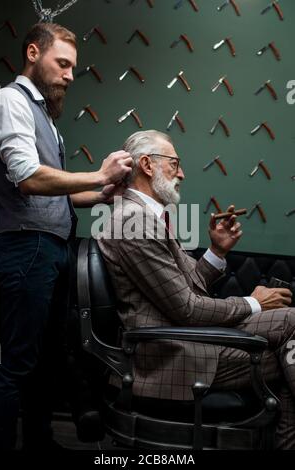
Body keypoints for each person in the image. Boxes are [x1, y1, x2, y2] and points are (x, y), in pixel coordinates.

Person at [97, 129, 295, 450]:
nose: (182, 173)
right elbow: (187, 308)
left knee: (291, 334)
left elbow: (185, 287)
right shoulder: (134, 222)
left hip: (183, 334)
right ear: (147, 165)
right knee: (290, 336)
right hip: (172, 353)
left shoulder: (149, 217)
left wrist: (217, 251)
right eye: (175, 164)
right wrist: (254, 303)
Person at [0, 22, 132, 450]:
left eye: (73, 67)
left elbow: (57, 198)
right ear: (33, 53)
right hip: (22, 248)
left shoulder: (49, 120)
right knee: (16, 362)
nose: (71, 75)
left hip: (51, 250)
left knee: (45, 361)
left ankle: (40, 442)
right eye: (64, 64)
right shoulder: (8, 102)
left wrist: (101, 194)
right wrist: (98, 173)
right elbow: (28, 179)